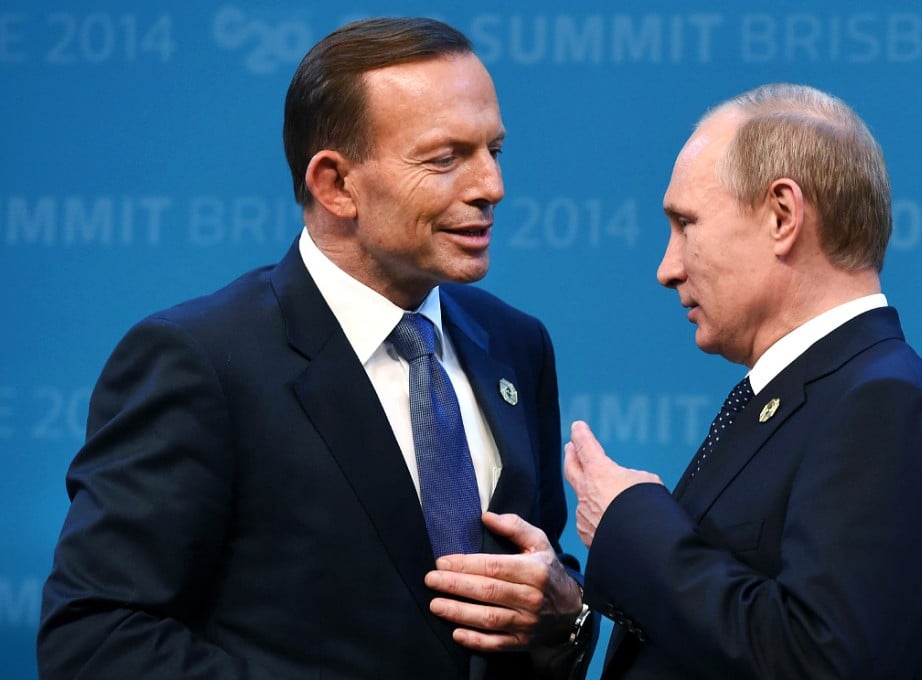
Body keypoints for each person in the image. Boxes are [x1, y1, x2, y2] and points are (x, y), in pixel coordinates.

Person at [38, 17, 594, 679]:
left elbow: (536, 597)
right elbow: (96, 639)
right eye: (446, 158)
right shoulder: (201, 361)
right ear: (334, 184)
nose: (490, 187)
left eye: (493, 151)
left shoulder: (514, 344)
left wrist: (568, 618)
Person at [564, 83, 922, 678]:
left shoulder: (888, 406)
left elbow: (818, 659)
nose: (667, 268)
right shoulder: (799, 397)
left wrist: (631, 523)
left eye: (686, 224)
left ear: (782, 216)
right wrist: (569, 608)